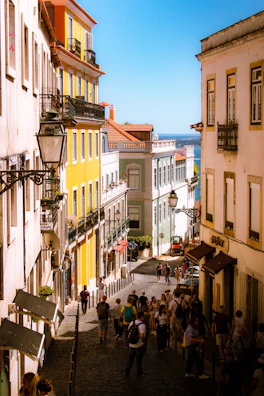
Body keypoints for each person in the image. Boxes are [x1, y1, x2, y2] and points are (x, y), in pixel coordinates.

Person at [124, 311, 147, 377]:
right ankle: (139, 372)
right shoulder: (142, 325)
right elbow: (142, 335)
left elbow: (129, 331)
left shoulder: (132, 322)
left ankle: (126, 372)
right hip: (139, 345)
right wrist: (144, 342)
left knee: (130, 359)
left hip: (131, 344)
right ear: (141, 317)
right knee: (138, 360)